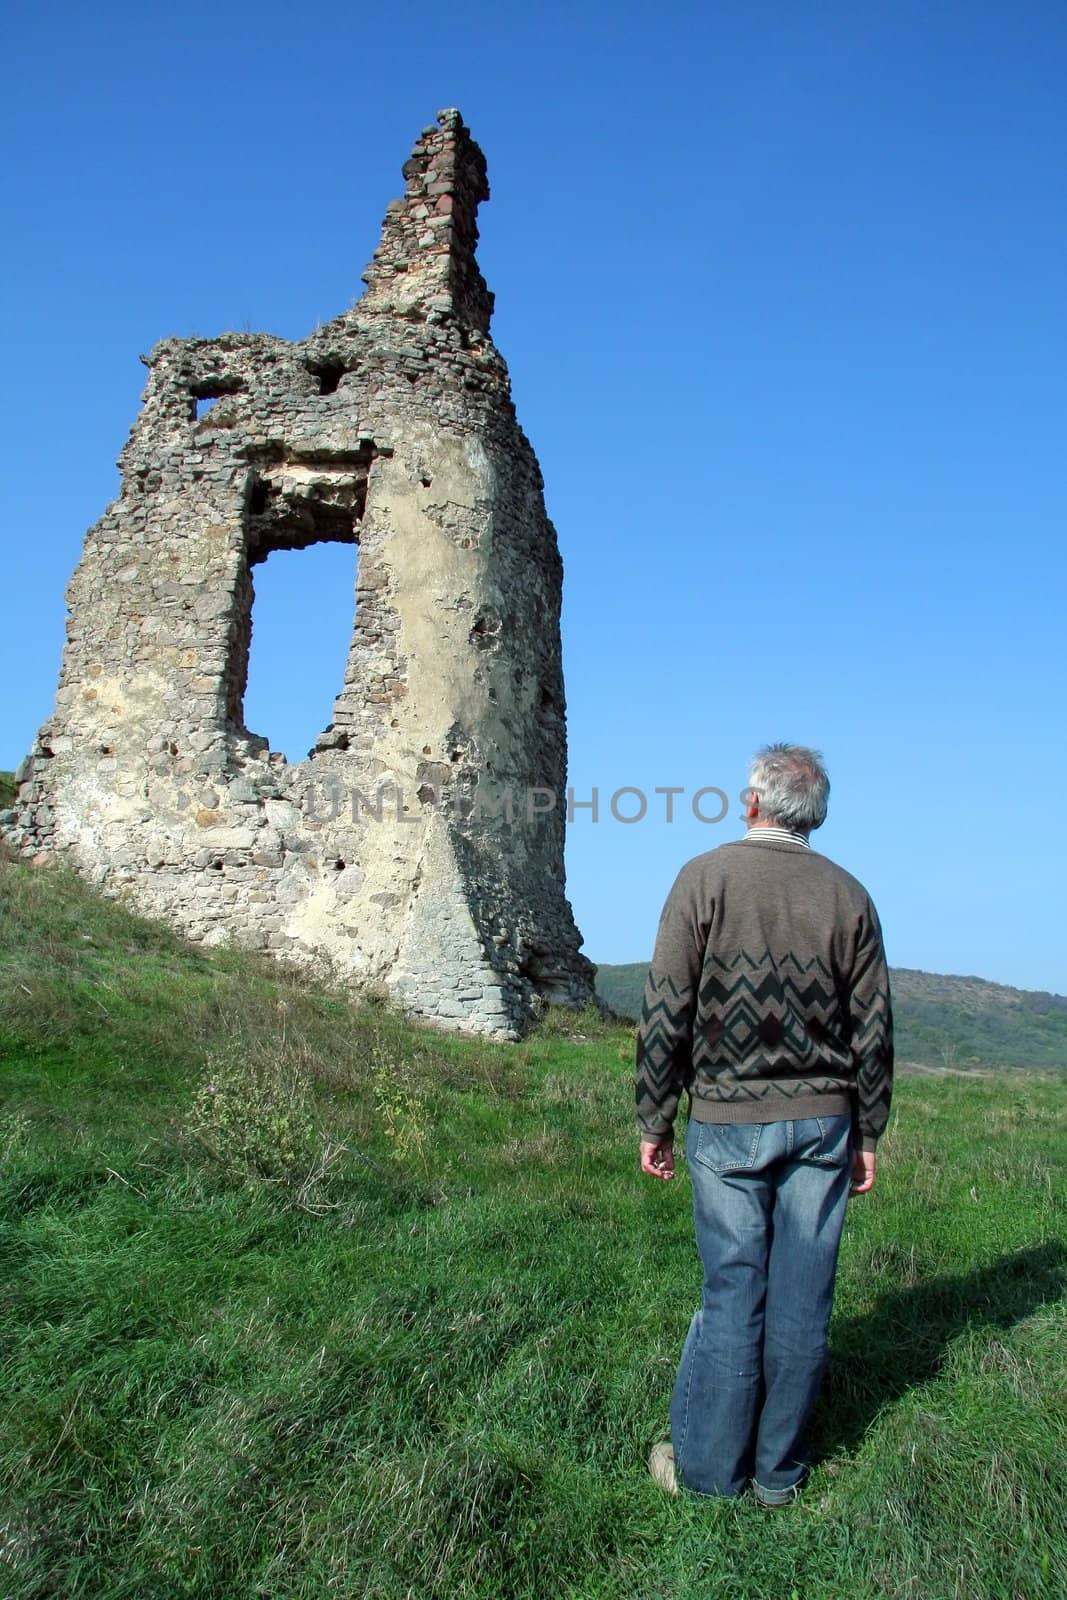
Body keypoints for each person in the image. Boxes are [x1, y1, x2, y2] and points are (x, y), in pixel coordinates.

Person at [635, 743, 893, 1505]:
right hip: (823, 1124)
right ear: (812, 817)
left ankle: (711, 1477)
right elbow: (872, 1027)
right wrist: (869, 1131)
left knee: (732, 1294)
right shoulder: (848, 895)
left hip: (725, 1120)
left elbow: (665, 1007)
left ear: (751, 804)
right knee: (802, 1300)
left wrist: (653, 1116)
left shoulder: (703, 877)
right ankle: (778, 1475)